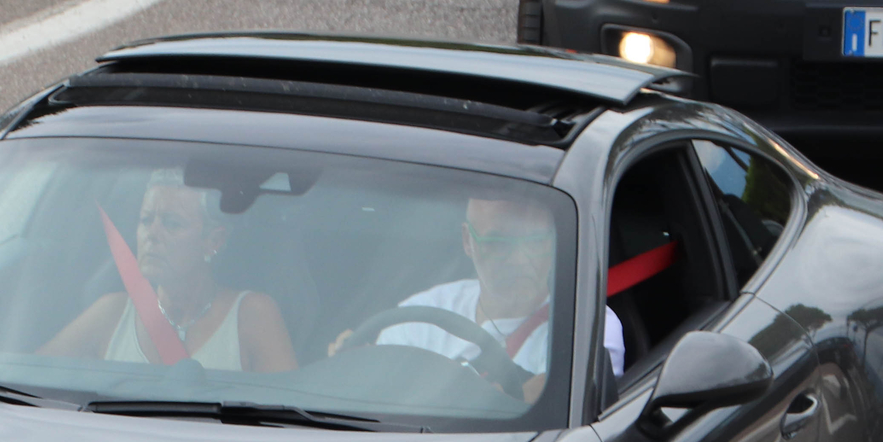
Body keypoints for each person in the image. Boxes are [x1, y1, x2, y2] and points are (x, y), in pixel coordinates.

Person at [346, 193, 621, 399]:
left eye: (536, 241)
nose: (519, 259)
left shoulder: (586, 328)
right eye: (498, 243)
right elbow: (376, 397)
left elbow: (559, 405)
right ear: (468, 241)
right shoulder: (421, 313)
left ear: (554, 241)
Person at [42, 179, 297, 372]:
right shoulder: (110, 313)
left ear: (214, 241)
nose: (152, 234)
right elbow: (37, 377)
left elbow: (289, 422)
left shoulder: (252, 315)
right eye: (145, 220)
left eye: (171, 223)